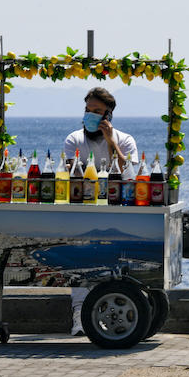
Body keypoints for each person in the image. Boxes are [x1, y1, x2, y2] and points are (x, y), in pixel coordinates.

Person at [65, 87, 139, 336]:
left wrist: (111, 143)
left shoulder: (126, 140)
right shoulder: (74, 139)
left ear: (108, 114)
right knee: (79, 262)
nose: (90, 116)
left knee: (114, 264)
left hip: (118, 213)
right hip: (84, 212)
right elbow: (71, 176)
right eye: (87, 110)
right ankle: (78, 315)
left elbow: (130, 175)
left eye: (96, 111)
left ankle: (110, 314)